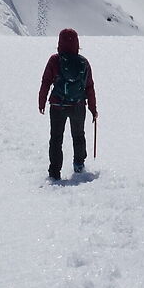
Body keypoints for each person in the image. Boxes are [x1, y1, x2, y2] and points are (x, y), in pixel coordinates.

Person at [36, 27, 97, 181]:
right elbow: (89, 86)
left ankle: (55, 172)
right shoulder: (83, 62)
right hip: (78, 105)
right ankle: (79, 165)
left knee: (56, 138)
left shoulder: (54, 60)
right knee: (78, 135)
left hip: (57, 106)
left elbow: (46, 81)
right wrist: (93, 108)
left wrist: (42, 101)